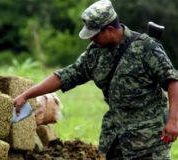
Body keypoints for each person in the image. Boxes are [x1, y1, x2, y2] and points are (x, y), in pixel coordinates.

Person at [13, 0, 178, 159]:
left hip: (148, 141)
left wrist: (173, 120)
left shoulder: (146, 48)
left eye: (94, 35)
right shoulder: (95, 53)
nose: (91, 39)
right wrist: (26, 95)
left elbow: (172, 81)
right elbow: (65, 76)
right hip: (116, 140)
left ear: (109, 29)